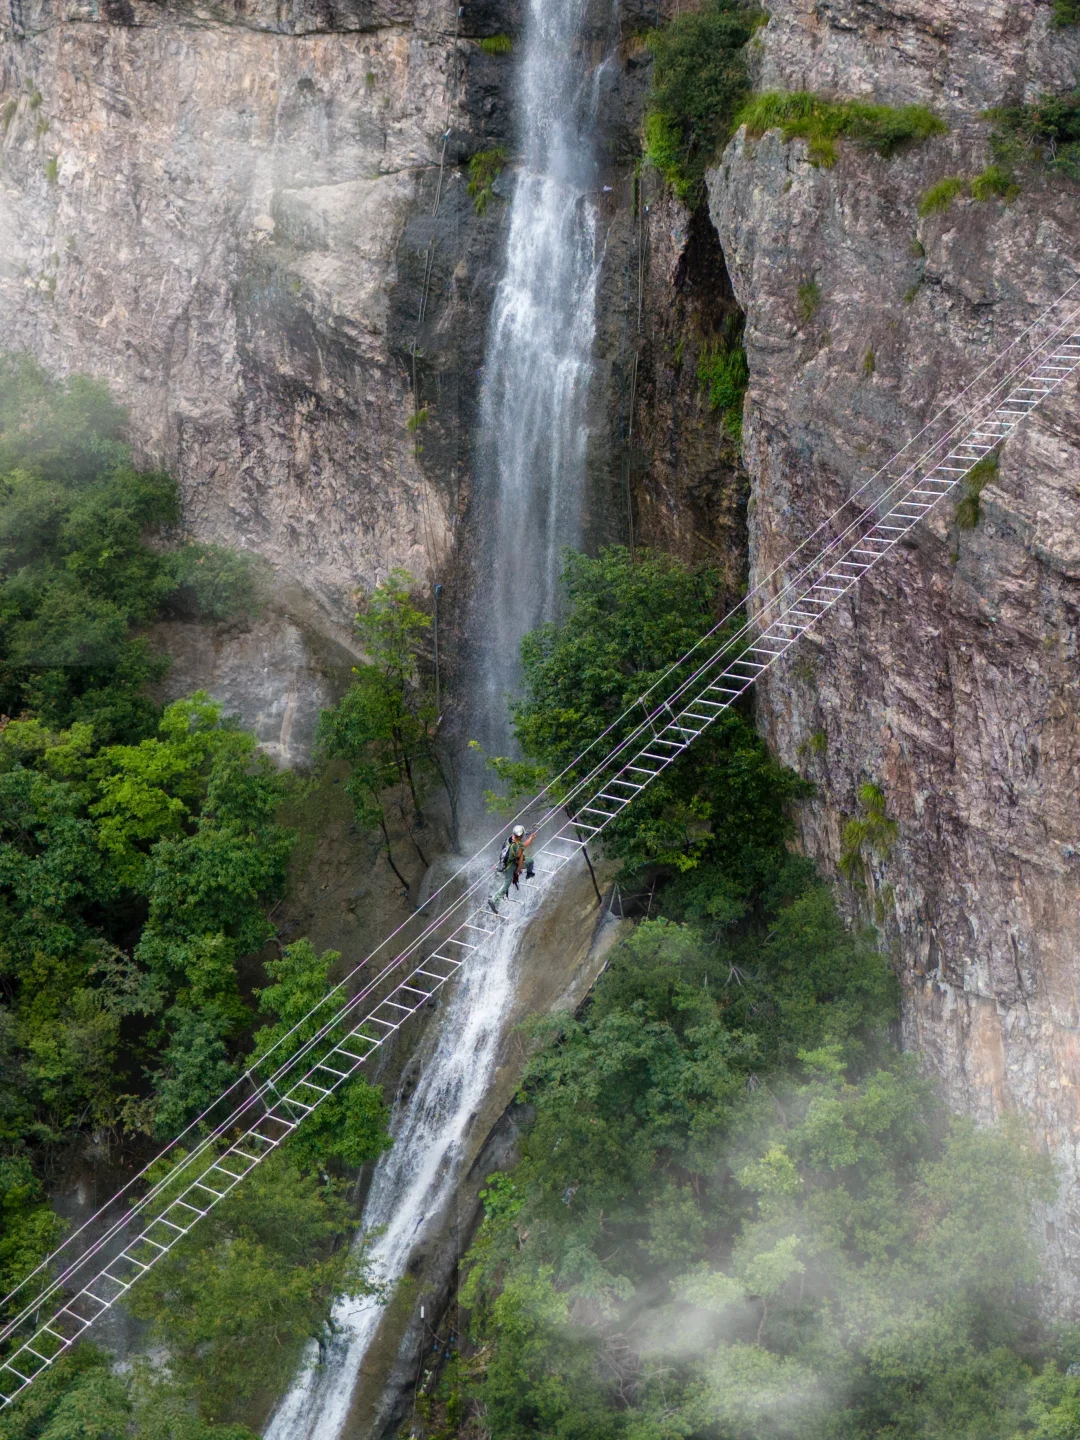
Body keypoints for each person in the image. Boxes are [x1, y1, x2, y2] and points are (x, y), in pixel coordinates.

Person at [489, 823, 536, 912]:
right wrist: (517, 871)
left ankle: (529, 874)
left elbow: (521, 844)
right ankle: (494, 900)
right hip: (510, 866)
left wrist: (529, 837)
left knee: (529, 861)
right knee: (507, 883)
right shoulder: (517, 846)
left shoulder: (510, 839)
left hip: (504, 862)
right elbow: (520, 858)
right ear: (521, 836)